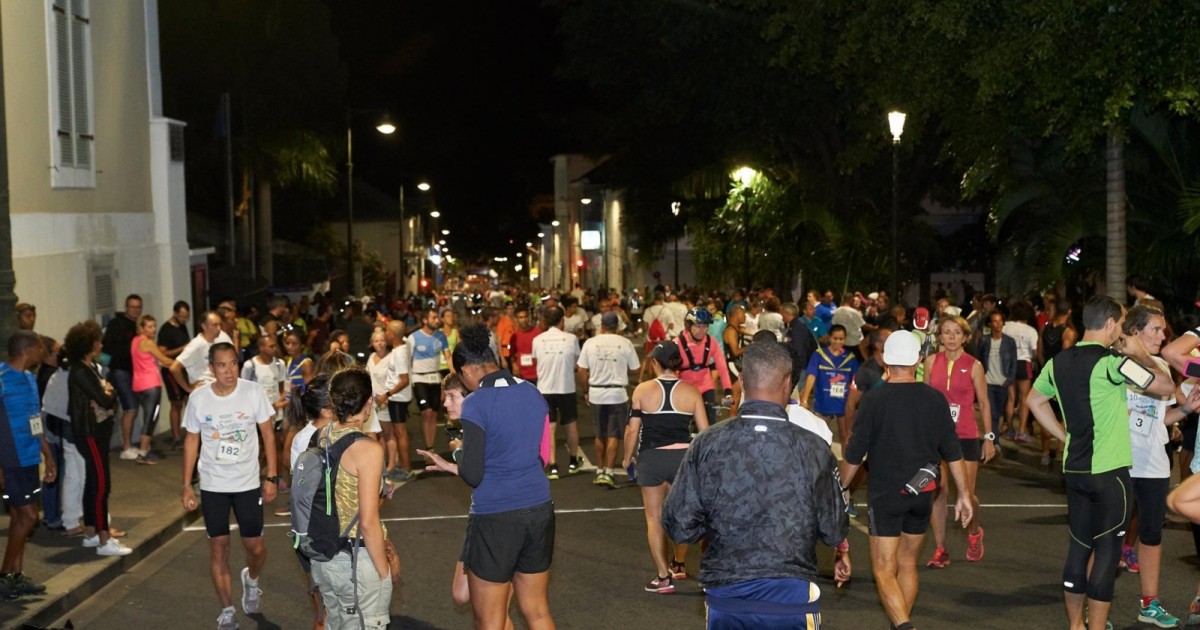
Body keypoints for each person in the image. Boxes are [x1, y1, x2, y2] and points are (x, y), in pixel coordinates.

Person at [662, 340, 848, 628]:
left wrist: (712, 527)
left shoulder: (707, 443)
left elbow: (678, 523)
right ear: (788, 383)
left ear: (741, 381)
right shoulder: (813, 448)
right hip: (790, 597)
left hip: (727, 594)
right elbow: (834, 528)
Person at [1026, 296, 1174, 630]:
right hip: (1110, 473)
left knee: (1079, 547)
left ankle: (1076, 625)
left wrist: (1064, 437)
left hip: (1075, 469)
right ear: (1109, 324)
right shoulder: (1113, 363)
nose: (1121, 330)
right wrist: (1139, 354)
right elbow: (1165, 387)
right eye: (1121, 324)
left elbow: (1034, 400)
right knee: (1108, 552)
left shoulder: (1058, 362)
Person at [419, 325, 555, 630]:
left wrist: (457, 456)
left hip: (496, 516)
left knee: (489, 620)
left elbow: (474, 474)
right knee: (538, 611)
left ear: (467, 369)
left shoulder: (478, 402)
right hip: (539, 508)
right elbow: (537, 456)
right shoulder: (532, 392)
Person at [841, 331, 972, 630]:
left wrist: (841, 487)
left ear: (886, 360)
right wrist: (964, 494)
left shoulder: (874, 400)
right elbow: (952, 451)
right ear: (917, 360)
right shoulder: (935, 399)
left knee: (884, 569)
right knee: (908, 563)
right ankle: (901, 623)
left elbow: (854, 454)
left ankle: (903, 626)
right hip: (923, 491)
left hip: (886, 494)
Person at [180, 342, 279, 630]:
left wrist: (271, 476)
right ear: (211, 368)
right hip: (213, 484)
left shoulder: (252, 392)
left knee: (256, 548)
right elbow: (191, 441)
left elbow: (268, 434)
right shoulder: (199, 399)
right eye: (222, 365)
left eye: (233, 363)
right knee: (219, 547)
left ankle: (251, 578)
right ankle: (227, 610)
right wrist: (187, 485)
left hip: (247, 483)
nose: (229, 370)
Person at [1118, 305, 1196, 627]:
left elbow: (1161, 419)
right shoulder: (1116, 364)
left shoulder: (1162, 364)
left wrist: (1186, 409)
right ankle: (1094, 604)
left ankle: (1149, 603)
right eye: (1156, 329)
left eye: (1164, 330)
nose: (1163, 335)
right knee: (1109, 537)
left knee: (1151, 535)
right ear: (1134, 332)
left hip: (1153, 465)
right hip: (1119, 463)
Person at [310, 367, 397, 630]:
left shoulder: (321, 435)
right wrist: (384, 574)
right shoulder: (368, 449)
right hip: (355, 559)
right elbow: (368, 522)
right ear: (369, 402)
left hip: (324, 556)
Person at [626, 340, 709, 592]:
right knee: (684, 515)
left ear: (654, 363)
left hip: (651, 459)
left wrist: (626, 457)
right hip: (682, 459)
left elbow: (632, 429)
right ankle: (680, 563)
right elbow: (704, 433)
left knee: (654, 518)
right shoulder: (692, 391)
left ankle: (663, 576)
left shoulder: (642, 390)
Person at [923, 315, 994, 569]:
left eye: (956, 332)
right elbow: (925, 398)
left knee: (967, 494)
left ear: (965, 337)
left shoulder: (974, 366)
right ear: (939, 337)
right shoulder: (931, 362)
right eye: (946, 332)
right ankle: (941, 549)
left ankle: (975, 532)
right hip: (937, 437)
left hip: (965, 436)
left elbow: (984, 403)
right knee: (938, 491)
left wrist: (989, 437)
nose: (951, 337)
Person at [65, 321, 132, 557]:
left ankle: (91, 533)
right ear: (89, 344)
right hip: (90, 431)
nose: (101, 344)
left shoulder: (88, 367)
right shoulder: (80, 371)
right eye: (97, 340)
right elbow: (105, 399)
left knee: (94, 482)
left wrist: (107, 392)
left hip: (96, 430)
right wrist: (108, 393)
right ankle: (104, 539)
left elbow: (105, 393)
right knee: (102, 484)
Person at [0, 331, 57, 597]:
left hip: (30, 458)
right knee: (30, 516)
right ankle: (4, 575)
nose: (42, 352)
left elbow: (36, 423)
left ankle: (16, 576)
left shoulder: (30, 379)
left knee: (19, 517)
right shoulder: (2, 379)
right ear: (27, 350)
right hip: (10, 460)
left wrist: (48, 455)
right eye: (40, 348)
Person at [578, 311, 641, 488]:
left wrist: (586, 390)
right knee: (614, 433)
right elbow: (635, 368)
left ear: (601, 325)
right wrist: (621, 369)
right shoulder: (625, 343)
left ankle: (599, 471)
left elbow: (582, 370)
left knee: (599, 434)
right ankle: (609, 472)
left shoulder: (590, 343)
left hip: (596, 393)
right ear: (617, 326)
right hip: (617, 393)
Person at [532, 305, 582, 479]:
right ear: (562, 320)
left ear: (545, 320)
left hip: (544, 389)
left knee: (550, 428)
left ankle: (552, 465)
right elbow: (576, 363)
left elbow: (535, 359)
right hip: (566, 387)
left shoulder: (537, 340)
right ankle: (573, 460)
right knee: (570, 424)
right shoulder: (571, 339)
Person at [799, 324, 860, 448]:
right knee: (820, 437)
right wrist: (804, 399)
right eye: (835, 338)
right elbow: (811, 376)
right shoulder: (819, 355)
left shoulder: (850, 358)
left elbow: (855, 381)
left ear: (845, 339)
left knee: (846, 437)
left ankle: (844, 466)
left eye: (841, 339)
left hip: (843, 404)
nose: (838, 341)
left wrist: (854, 403)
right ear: (829, 338)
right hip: (823, 401)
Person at [130, 315, 178, 464]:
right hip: (151, 385)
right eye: (149, 327)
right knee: (151, 419)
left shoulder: (135, 342)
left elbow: (157, 361)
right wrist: (183, 363)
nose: (153, 329)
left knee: (147, 417)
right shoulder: (148, 342)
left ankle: (145, 448)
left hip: (139, 385)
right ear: (141, 328)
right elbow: (163, 359)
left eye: (154, 326)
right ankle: (143, 453)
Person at [674, 308, 733, 425]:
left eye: (705, 326)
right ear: (688, 326)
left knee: (710, 423)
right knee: (679, 425)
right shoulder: (677, 343)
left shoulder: (712, 342)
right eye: (697, 326)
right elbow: (670, 369)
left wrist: (728, 392)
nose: (701, 330)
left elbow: (722, 368)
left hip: (705, 387)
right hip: (684, 387)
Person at [103, 294, 143, 462]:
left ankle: (126, 445)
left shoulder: (138, 327)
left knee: (130, 409)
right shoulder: (116, 324)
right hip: (119, 371)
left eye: (138, 307)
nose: (135, 310)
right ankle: (125, 447)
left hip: (133, 372)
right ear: (126, 307)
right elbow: (106, 350)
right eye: (132, 306)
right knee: (131, 409)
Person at [408, 309, 451, 461]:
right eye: (433, 317)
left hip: (435, 380)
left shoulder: (441, 337)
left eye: (437, 317)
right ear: (425, 320)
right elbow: (408, 361)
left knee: (433, 414)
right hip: (419, 380)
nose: (437, 320)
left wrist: (452, 378)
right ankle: (428, 448)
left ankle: (430, 448)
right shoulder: (413, 338)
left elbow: (448, 357)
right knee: (426, 412)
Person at [975, 311, 1016, 450]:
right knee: (991, 412)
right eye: (994, 321)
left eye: (1000, 321)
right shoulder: (985, 340)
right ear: (990, 324)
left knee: (997, 413)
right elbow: (979, 360)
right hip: (988, 382)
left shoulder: (1009, 342)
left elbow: (1013, 362)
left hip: (1002, 382)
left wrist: (1009, 379)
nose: (998, 324)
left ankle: (993, 437)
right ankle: (994, 441)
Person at [170, 310, 234, 394]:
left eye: (220, 324)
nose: (219, 328)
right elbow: (174, 367)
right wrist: (188, 388)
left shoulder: (221, 338)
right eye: (215, 325)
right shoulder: (196, 344)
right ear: (204, 326)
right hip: (204, 390)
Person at [157, 301, 191, 450]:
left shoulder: (181, 326)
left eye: (186, 317)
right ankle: (176, 437)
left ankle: (189, 433)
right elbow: (161, 352)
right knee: (176, 403)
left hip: (183, 369)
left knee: (187, 400)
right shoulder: (166, 330)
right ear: (175, 313)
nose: (184, 320)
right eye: (182, 316)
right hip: (170, 370)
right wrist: (182, 348)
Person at [1004, 302, 1040, 442]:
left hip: (1008, 364)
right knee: (1024, 398)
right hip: (1024, 363)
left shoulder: (1005, 327)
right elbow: (1035, 352)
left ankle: (1010, 429)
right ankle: (1021, 431)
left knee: (1011, 398)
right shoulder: (1030, 330)